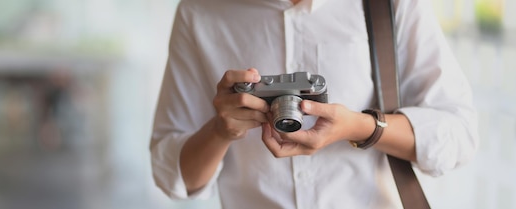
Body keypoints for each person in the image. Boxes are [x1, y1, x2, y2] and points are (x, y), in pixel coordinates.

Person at [150, 0, 479, 208]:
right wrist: (221, 130)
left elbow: (460, 134)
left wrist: (358, 127)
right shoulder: (200, 11)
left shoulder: (390, 6)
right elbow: (174, 177)